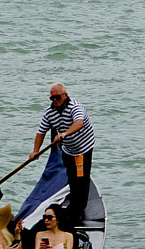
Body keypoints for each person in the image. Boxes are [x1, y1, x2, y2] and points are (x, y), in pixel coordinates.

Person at [30, 83, 96, 222]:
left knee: (81, 178)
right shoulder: (49, 112)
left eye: (58, 97)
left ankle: (79, 208)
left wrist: (64, 134)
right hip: (68, 149)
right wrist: (35, 151)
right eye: (52, 98)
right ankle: (74, 202)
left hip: (83, 148)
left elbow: (79, 123)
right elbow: (41, 132)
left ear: (65, 95)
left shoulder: (75, 107)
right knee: (72, 177)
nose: (55, 100)